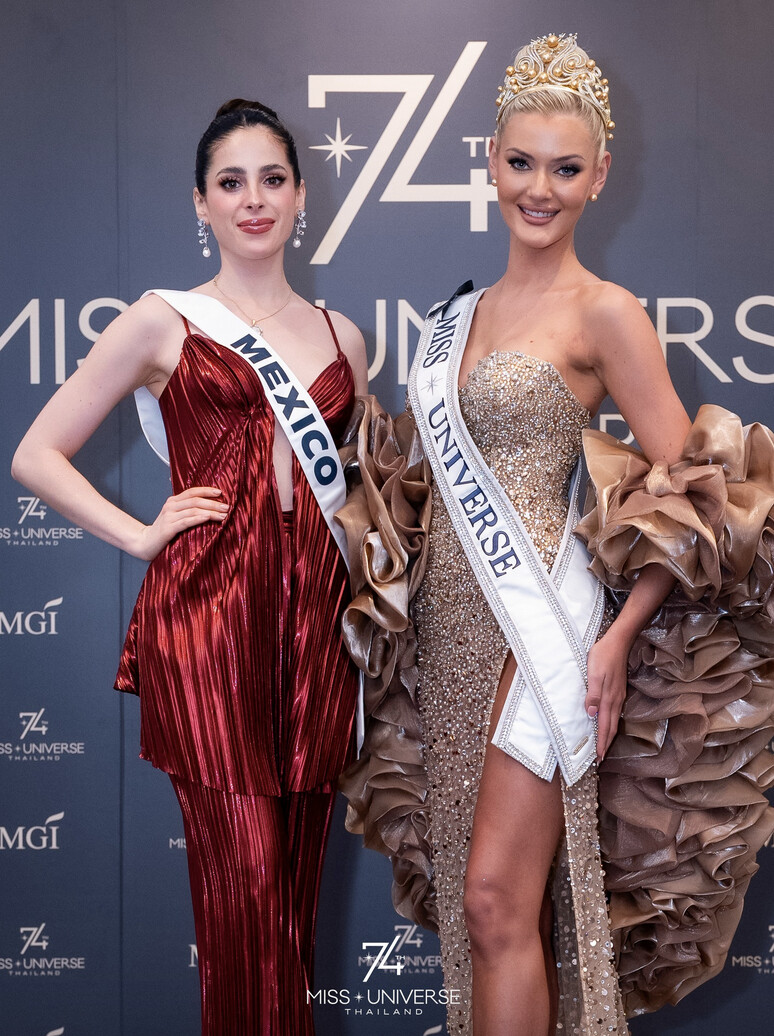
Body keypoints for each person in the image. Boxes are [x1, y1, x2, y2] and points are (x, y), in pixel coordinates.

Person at [339, 32, 774, 1036]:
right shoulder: (465, 312)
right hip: (447, 640)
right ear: (490, 160)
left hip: (541, 629)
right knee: (480, 911)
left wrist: (619, 637)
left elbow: (693, 498)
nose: (540, 187)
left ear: (600, 177)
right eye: (522, 162)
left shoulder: (607, 312)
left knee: (497, 898)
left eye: (565, 168)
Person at [12, 98, 368, 1035]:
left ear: (301, 197)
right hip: (211, 628)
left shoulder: (344, 338)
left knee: (291, 912)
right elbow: (36, 453)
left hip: (321, 640)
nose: (254, 200)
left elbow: (362, 496)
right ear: (200, 205)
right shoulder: (161, 320)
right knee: (243, 899)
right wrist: (138, 533)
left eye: (273, 179)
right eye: (231, 183)